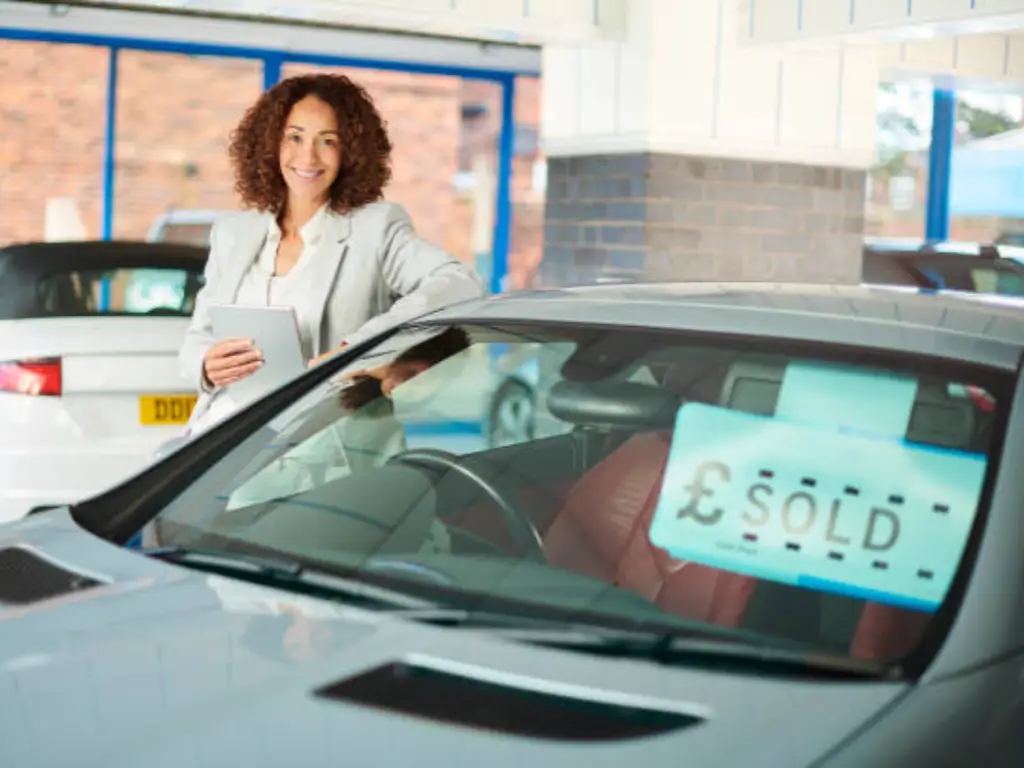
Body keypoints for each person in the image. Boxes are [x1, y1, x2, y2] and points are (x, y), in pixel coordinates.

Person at [178, 73, 485, 436]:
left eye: (328, 141)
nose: (308, 156)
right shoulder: (233, 234)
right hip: (223, 438)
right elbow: (197, 340)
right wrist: (206, 365)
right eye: (294, 137)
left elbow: (461, 282)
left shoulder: (376, 228)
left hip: (326, 448)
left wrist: (358, 349)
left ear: (350, 153)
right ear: (271, 143)